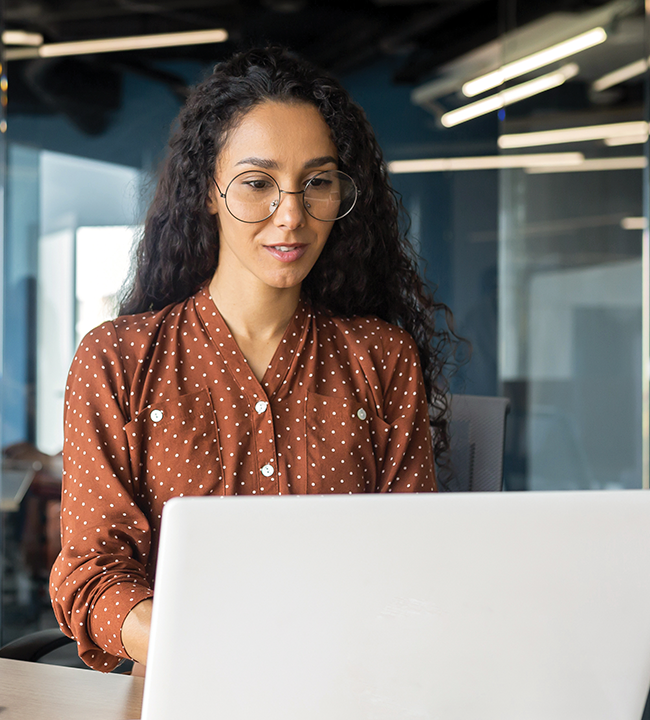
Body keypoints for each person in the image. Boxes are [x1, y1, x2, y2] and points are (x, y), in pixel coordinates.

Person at [49, 46, 456, 673]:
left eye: (316, 182)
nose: (291, 215)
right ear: (208, 192)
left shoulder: (382, 360)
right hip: (181, 695)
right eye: (258, 183)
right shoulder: (118, 360)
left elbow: (414, 563)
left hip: (345, 692)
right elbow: (91, 575)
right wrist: (204, 648)